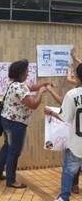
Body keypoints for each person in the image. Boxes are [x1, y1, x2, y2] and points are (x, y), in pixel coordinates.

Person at [0, 59, 48, 188]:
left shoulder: (14, 84)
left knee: (7, 146)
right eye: (26, 71)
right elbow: (33, 105)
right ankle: (11, 180)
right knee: (14, 151)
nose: (28, 74)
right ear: (21, 73)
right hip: (15, 124)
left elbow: (30, 87)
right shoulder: (19, 87)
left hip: (6, 120)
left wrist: (42, 84)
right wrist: (40, 93)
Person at [45, 63, 82, 201]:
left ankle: (64, 197)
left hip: (76, 143)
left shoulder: (72, 94)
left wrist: (50, 112)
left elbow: (64, 116)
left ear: (77, 77)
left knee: (68, 171)